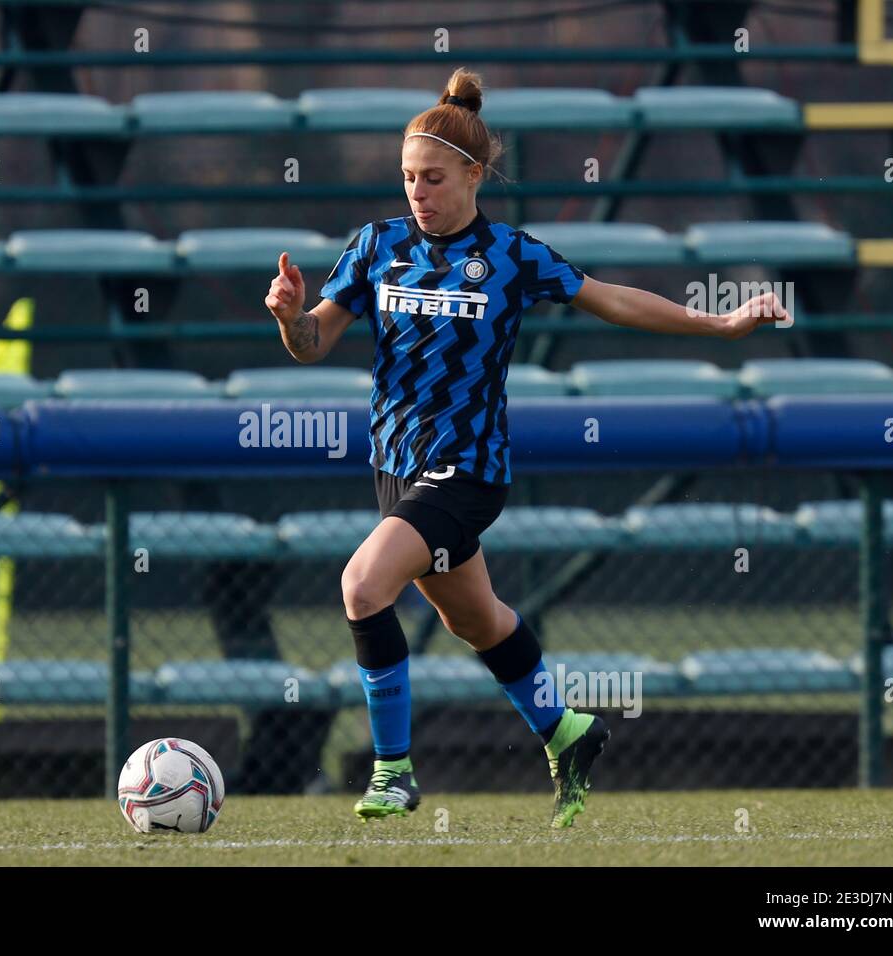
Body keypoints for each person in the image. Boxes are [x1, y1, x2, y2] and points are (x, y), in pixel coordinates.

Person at [264, 67, 788, 827]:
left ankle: (393, 772)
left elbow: (612, 300)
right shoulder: (375, 247)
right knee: (476, 622)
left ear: (474, 175)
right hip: (396, 470)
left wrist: (720, 324)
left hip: (467, 471)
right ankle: (567, 731)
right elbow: (312, 343)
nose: (419, 191)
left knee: (361, 588)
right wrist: (287, 317)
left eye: (434, 178)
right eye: (409, 177)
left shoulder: (510, 254)